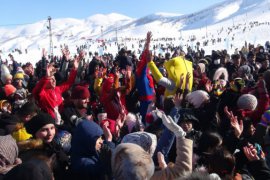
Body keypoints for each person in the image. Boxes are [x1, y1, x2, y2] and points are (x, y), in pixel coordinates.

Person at [32, 54, 80, 125]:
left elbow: (69, 83)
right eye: (51, 79)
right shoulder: (43, 93)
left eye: (54, 79)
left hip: (63, 119)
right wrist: (46, 78)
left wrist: (74, 69)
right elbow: (36, 91)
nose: (54, 81)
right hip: (51, 122)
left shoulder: (57, 89)